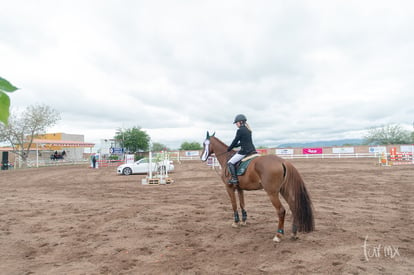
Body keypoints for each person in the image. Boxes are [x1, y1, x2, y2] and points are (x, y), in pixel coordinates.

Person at [227, 114, 256, 185]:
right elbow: (244, 141)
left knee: (230, 162)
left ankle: (234, 179)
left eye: (236, 123)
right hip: (252, 150)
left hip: (245, 151)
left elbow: (235, 141)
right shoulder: (248, 130)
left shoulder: (240, 130)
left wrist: (229, 148)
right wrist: (236, 145)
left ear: (240, 122)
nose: (236, 125)